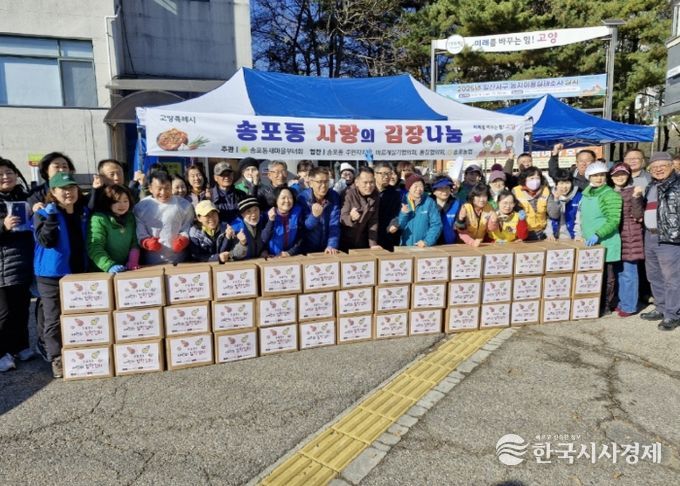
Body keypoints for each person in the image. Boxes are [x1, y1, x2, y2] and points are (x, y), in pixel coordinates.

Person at [33, 172, 89, 378]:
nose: (68, 192)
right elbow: (46, 241)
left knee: (79, 314)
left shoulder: (83, 211)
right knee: (53, 317)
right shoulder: (42, 213)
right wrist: (51, 218)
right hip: (51, 274)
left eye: (72, 188)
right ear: (53, 192)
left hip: (78, 271)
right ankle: (56, 358)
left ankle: (80, 352)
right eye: (63, 189)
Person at [0, 157, 34, 372]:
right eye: (1, 174)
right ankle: (2, 352)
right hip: (2, 265)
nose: (6, 177)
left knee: (21, 308)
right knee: (4, 312)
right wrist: (2, 225)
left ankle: (20, 346)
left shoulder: (24, 196)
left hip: (22, 261)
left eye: (9, 172)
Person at [640, 152, 680, 330]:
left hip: (670, 238)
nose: (658, 169)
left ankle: (673, 314)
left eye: (662, 166)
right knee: (654, 275)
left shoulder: (678, 185)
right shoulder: (651, 185)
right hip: (650, 236)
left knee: (672, 278)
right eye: (654, 167)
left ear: (672, 166)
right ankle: (661, 307)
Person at [579, 162, 622, 315]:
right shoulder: (586, 194)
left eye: (602, 175)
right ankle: (591, 305)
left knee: (606, 277)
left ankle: (606, 305)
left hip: (606, 242)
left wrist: (598, 234)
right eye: (595, 175)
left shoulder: (610, 195)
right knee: (592, 276)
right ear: (588, 177)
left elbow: (613, 220)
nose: (599, 178)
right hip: (589, 243)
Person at [134, 171, 195, 265]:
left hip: (179, 260)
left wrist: (183, 238)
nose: (163, 192)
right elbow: (139, 230)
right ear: (150, 188)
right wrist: (146, 242)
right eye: (159, 189)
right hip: (150, 262)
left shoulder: (184, 205)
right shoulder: (141, 207)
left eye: (167, 188)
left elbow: (187, 226)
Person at [608, 163, 644, 317]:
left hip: (630, 237)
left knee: (629, 272)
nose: (620, 177)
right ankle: (623, 302)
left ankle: (629, 306)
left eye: (623, 174)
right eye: (616, 174)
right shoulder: (610, 192)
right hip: (615, 237)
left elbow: (638, 215)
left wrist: (636, 197)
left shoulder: (634, 191)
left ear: (628, 175)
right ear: (611, 177)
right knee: (619, 272)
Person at [87, 184, 139, 273]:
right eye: (116, 201)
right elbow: (95, 246)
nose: (122, 205)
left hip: (125, 269)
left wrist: (133, 259)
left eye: (125, 201)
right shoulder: (99, 219)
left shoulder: (130, 217)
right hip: (102, 271)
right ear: (108, 202)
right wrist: (109, 265)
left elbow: (134, 241)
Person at [299, 167, 341, 254]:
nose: (324, 185)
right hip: (306, 249)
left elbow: (334, 224)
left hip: (327, 248)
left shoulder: (334, 196)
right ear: (311, 183)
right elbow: (303, 227)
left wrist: (332, 245)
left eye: (326, 182)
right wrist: (314, 217)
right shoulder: (302, 198)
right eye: (319, 182)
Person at [340, 166, 380, 251]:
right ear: (357, 182)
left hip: (362, 241)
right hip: (345, 241)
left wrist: (373, 244)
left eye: (371, 182)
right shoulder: (348, 194)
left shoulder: (376, 195)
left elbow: (373, 221)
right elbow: (342, 217)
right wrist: (351, 218)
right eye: (365, 182)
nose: (369, 186)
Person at [397, 173, 442, 247]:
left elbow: (436, 224)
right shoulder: (402, 201)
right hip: (405, 246)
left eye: (421, 186)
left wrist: (427, 241)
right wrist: (403, 214)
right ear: (409, 188)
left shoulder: (429, 202)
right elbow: (398, 227)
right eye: (415, 186)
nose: (418, 189)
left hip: (424, 247)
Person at [262, 186, 303, 257]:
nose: (287, 201)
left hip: (292, 256)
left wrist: (290, 252)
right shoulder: (267, 215)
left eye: (290, 198)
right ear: (276, 200)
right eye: (283, 198)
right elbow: (264, 238)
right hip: (272, 257)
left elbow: (302, 236)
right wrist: (271, 220)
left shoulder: (298, 213)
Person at [512, 167, 550, 240]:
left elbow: (551, 214)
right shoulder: (516, 191)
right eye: (531, 178)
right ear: (525, 179)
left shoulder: (545, 190)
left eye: (537, 178)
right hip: (524, 232)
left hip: (542, 231)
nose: (535, 181)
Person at [545, 169, 582, 241]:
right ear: (556, 184)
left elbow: (580, 219)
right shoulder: (551, 196)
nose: (564, 187)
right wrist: (550, 233)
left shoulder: (578, 197)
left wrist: (578, 235)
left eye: (567, 183)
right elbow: (552, 216)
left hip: (573, 236)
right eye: (561, 183)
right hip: (555, 236)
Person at [374, 162, 401, 251]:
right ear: (375, 174)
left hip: (388, 234)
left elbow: (397, 213)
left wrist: (394, 224)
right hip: (369, 236)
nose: (386, 177)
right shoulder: (368, 190)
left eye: (389, 173)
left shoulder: (395, 193)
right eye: (383, 174)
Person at [430, 175, 460, 245]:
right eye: (440, 188)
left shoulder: (456, 204)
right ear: (434, 191)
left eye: (447, 188)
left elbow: (461, 225)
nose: (444, 191)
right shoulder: (428, 204)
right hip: (430, 243)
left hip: (450, 244)